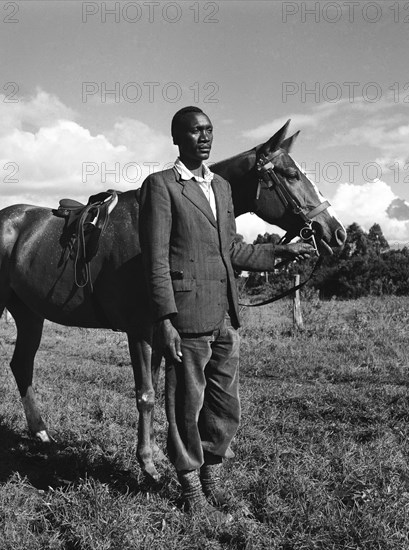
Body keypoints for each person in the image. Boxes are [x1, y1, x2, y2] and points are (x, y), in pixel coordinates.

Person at [138, 106, 312, 521]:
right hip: (185, 317)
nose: (205, 137)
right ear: (177, 138)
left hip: (224, 317)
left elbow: (232, 250)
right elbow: (155, 260)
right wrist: (164, 319)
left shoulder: (221, 187)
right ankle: (192, 491)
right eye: (195, 131)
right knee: (185, 404)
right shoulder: (161, 186)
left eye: (209, 130)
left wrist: (278, 252)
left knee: (223, 405)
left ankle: (213, 479)